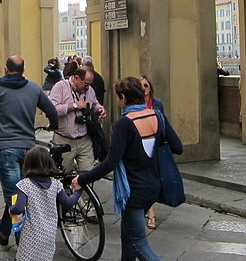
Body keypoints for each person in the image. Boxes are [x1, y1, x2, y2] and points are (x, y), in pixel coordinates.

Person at [73, 77, 182, 261]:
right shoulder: (156, 116)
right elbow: (178, 147)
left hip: (133, 190)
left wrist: (82, 180)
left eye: (117, 97)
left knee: (139, 244)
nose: (117, 101)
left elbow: (110, 162)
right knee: (127, 238)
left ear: (123, 97)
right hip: (154, 186)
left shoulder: (124, 123)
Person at [0, 55, 59, 247]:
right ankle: (4, 230)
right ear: (23, 70)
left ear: (6, 69)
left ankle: (23, 247)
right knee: (19, 197)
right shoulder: (33, 88)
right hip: (28, 148)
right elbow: (51, 110)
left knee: (15, 199)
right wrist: (53, 125)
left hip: (6, 148)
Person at [8, 146, 82, 261]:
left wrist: (11, 209)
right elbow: (68, 203)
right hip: (49, 234)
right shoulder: (56, 185)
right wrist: (78, 191)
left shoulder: (25, 185)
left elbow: (18, 208)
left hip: (30, 234)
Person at [49, 66, 106, 174]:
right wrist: (74, 106)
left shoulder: (89, 90)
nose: (88, 87)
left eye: (90, 84)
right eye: (86, 84)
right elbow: (53, 110)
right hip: (64, 140)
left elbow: (94, 103)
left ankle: (84, 190)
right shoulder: (60, 87)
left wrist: (99, 109)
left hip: (84, 139)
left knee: (88, 175)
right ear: (76, 78)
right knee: (63, 175)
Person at [139, 75, 164, 230]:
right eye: (141, 86)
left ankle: (147, 206)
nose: (144, 89)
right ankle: (151, 213)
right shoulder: (134, 104)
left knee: (152, 179)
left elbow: (162, 122)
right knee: (145, 178)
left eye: (146, 86)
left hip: (154, 145)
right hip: (140, 145)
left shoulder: (157, 104)